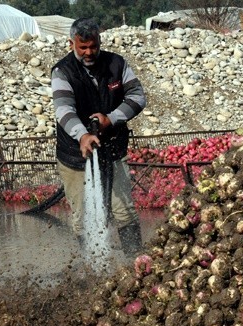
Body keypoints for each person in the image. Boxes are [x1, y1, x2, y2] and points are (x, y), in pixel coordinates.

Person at [51, 17, 146, 258]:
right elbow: (64, 110)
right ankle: (93, 269)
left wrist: (111, 119)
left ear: (99, 41)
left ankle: (136, 264)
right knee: (83, 216)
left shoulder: (116, 64)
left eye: (93, 46)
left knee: (124, 211)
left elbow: (137, 96)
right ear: (72, 43)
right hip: (75, 154)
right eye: (83, 47)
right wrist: (82, 135)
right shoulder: (63, 71)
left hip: (112, 147)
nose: (89, 52)